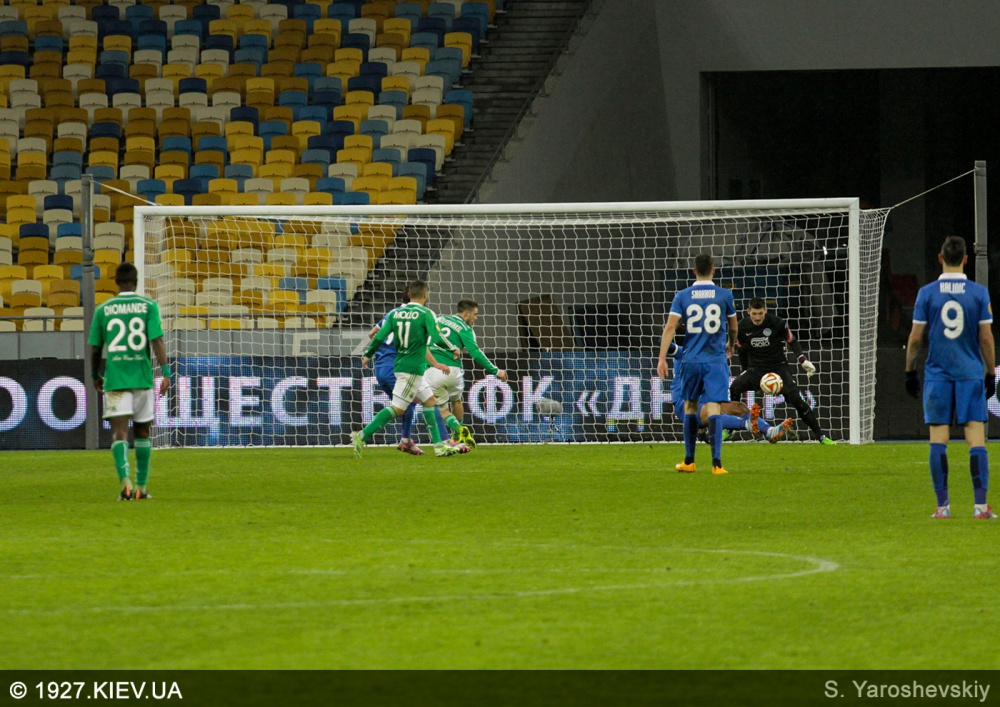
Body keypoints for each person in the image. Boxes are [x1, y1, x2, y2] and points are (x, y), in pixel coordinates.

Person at [905, 236, 996, 519]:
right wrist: (991, 373)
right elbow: (986, 339)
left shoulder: (927, 294)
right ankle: (980, 507)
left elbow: (915, 339)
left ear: (940, 258)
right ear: (966, 259)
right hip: (970, 374)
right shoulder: (979, 293)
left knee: (938, 438)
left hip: (938, 375)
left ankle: (942, 508)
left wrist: (910, 372)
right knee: (976, 437)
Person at [353, 278, 463, 459]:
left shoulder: (395, 313)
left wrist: (368, 354)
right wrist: (452, 348)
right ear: (426, 294)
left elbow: (378, 336)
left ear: (409, 294)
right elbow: (437, 336)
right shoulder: (426, 313)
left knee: (430, 402)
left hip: (402, 365)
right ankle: (362, 436)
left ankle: (439, 446)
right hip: (411, 369)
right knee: (398, 409)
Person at [88, 262, 170, 500]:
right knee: (143, 432)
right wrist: (166, 372)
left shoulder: (103, 309)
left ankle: (125, 485)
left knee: (119, 433)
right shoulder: (149, 306)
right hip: (142, 378)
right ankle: (141, 488)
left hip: (115, 380)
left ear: (116, 282)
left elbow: (95, 347)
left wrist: (95, 375)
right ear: (136, 281)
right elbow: (157, 340)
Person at [657, 253, 738, 475]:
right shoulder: (725, 295)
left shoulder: (682, 296)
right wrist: (730, 345)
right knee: (714, 408)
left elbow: (670, 328)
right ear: (713, 270)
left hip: (691, 360)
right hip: (715, 361)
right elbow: (733, 327)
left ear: (694, 271)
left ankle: (689, 461)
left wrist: (662, 358)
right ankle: (717, 464)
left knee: (690, 406)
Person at [728, 297, 835, 445]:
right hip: (756, 369)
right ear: (748, 312)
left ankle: (821, 436)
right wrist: (745, 370)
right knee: (735, 387)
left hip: (779, 368)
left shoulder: (777, 323)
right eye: (754, 314)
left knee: (797, 400)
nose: (757, 317)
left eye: (760, 313)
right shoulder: (742, 327)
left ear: (766, 310)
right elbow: (742, 350)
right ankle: (730, 428)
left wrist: (803, 360)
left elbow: (792, 341)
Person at [670, 342, 793, 444]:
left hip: (702, 402)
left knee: (739, 407)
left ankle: (768, 431)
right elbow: (668, 345)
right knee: (712, 410)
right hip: (684, 404)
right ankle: (747, 424)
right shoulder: (686, 352)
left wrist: (701, 430)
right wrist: (662, 356)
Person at [426, 299, 508, 450]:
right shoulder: (465, 328)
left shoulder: (438, 320)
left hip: (432, 369)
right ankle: (457, 437)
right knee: (457, 401)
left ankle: (451, 435)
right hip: (453, 371)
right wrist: (496, 371)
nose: (476, 318)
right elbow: (475, 353)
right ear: (466, 314)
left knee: (440, 408)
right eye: (475, 314)